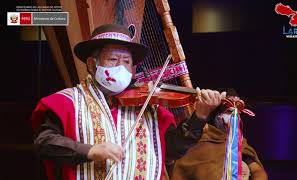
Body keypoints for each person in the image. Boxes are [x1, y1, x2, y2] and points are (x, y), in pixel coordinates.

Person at [31, 24, 225, 180]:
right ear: (92, 65)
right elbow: (45, 143)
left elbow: (172, 150)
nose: (121, 68)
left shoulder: (149, 108)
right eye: (114, 59)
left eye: (127, 62)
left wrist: (199, 116)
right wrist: (90, 150)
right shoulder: (67, 102)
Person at [170, 90, 268, 180]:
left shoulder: (238, 141)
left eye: (237, 113)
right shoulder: (195, 137)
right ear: (216, 113)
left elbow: (258, 171)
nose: (234, 118)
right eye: (229, 112)